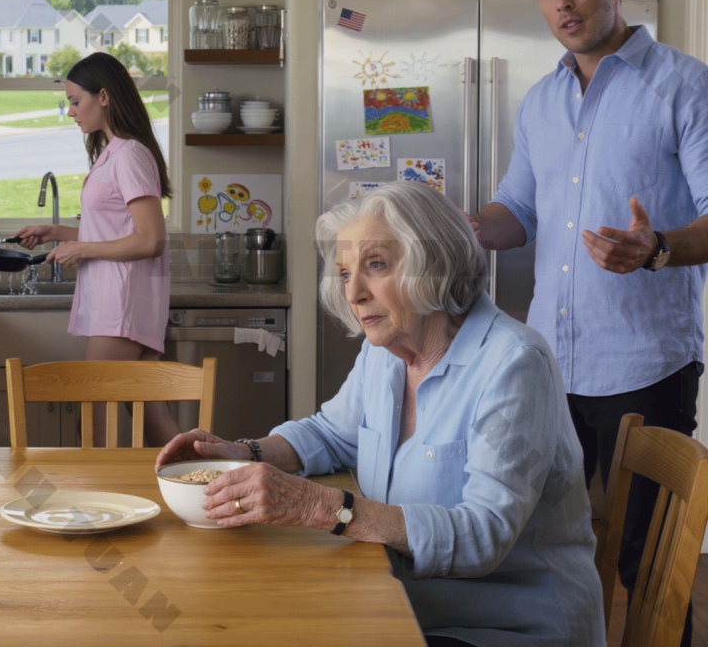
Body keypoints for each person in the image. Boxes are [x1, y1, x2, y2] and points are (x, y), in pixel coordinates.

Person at [157, 181, 605, 647]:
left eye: (376, 265)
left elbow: (483, 536)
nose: (355, 294)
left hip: (500, 626)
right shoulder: (386, 351)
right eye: (345, 274)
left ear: (437, 262)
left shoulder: (514, 362)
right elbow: (331, 434)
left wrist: (324, 507)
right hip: (398, 602)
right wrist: (244, 453)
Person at [470, 0, 708, 645]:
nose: (562, 2)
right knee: (537, 544)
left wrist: (659, 246)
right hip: (547, 366)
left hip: (646, 366)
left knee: (647, 562)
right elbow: (515, 213)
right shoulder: (540, 101)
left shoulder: (683, 85)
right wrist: (454, 223)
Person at [15, 52, 180, 447]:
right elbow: (116, 226)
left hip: (120, 304)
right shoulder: (116, 152)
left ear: (103, 96)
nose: (70, 111)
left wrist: (83, 249)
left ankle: (100, 507)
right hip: (123, 301)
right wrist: (57, 231)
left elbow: (150, 239)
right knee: (148, 415)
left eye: (75, 101)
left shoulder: (129, 153)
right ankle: (214, 489)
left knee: (92, 422)